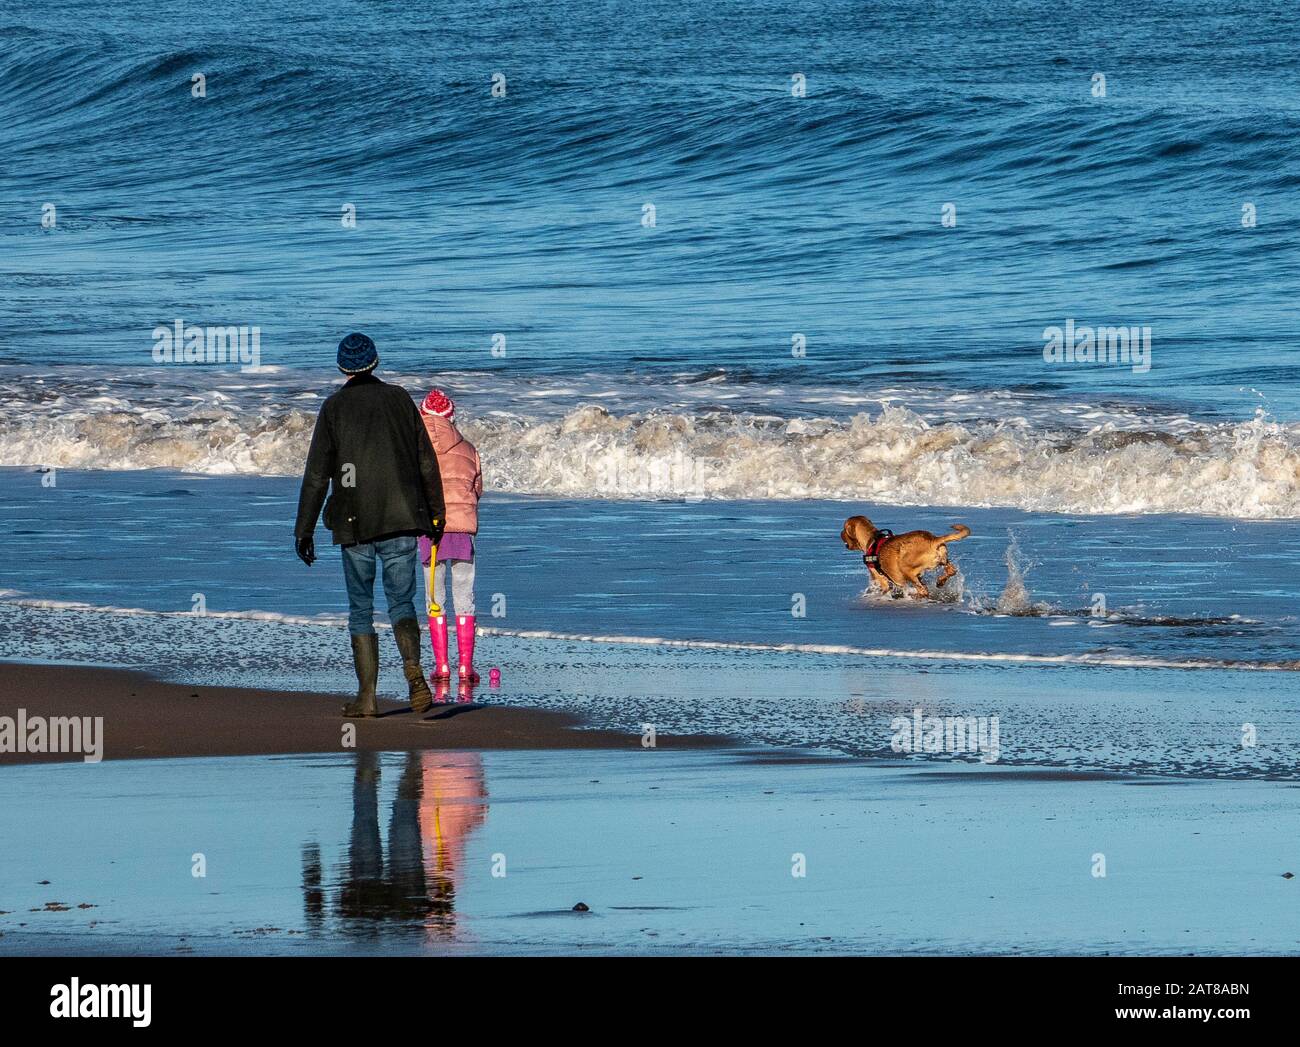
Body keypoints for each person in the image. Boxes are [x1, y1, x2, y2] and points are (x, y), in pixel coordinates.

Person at [294, 332, 446, 717]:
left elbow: (317, 475)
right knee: (401, 602)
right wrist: (436, 514)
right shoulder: (398, 399)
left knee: (360, 608)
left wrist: (304, 529)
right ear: (374, 362)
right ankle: (413, 671)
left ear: (343, 367)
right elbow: (425, 460)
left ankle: (367, 697)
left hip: (353, 521)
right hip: (400, 518)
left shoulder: (333, 408)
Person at [417, 389, 483, 685]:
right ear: (450, 417)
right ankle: (465, 668)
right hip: (461, 530)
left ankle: (442, 666)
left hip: (428, 530)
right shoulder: (468, 448)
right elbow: (477, 489)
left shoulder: (415, 450)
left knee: (434, 598)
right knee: (463, 595)